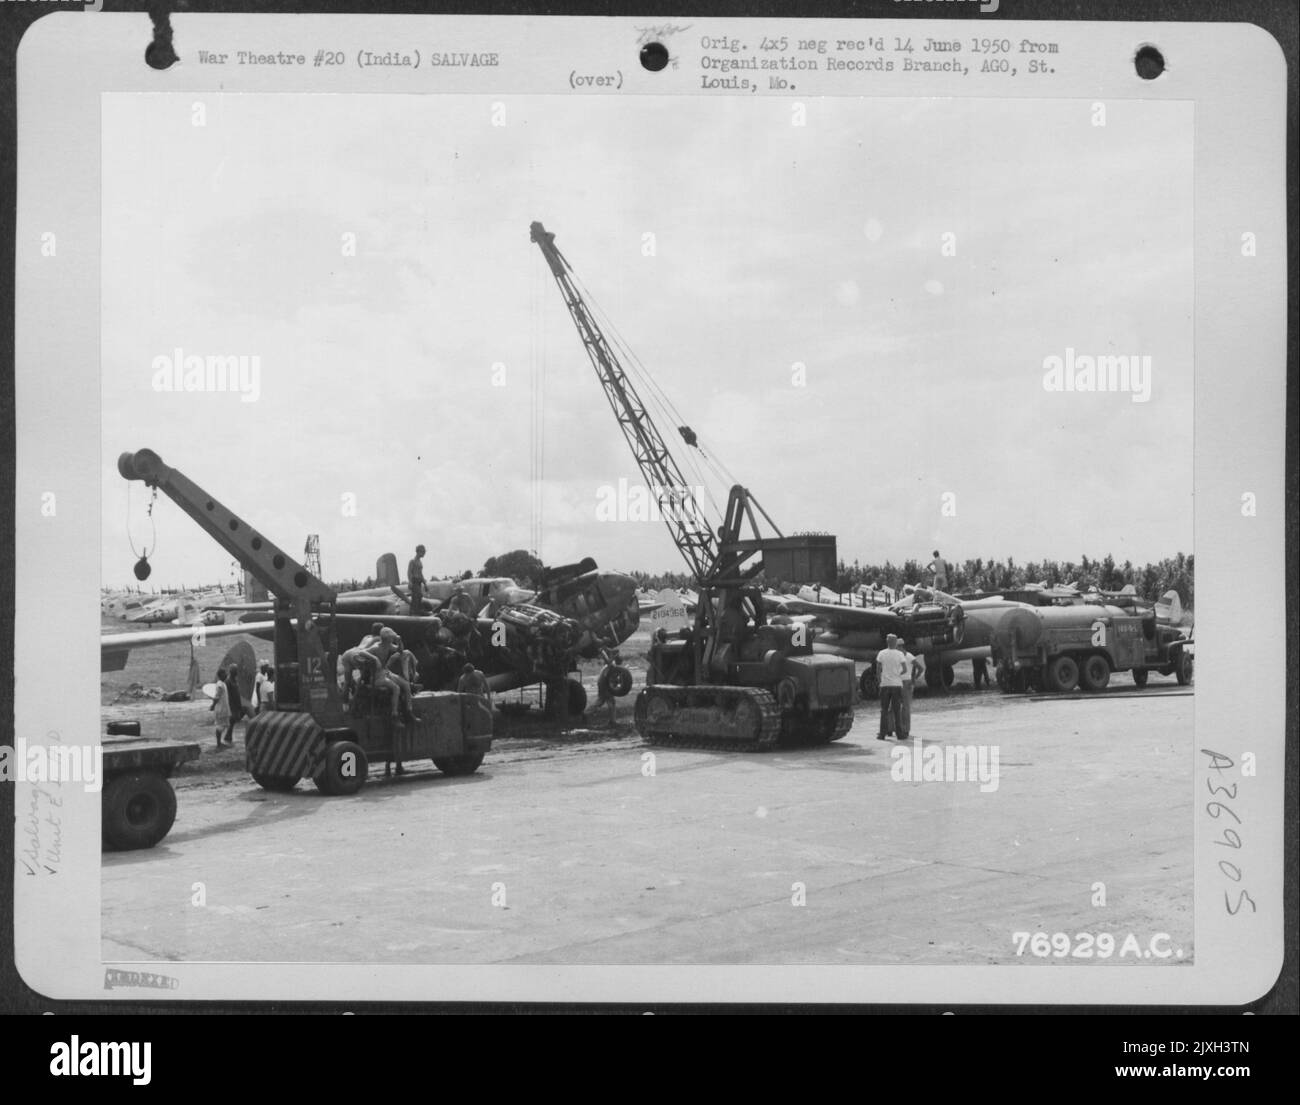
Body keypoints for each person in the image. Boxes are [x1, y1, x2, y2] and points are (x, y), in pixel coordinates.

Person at [876, 635, 906, 741]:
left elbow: (878, 669)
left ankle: (882, 734)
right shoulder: (900, 654)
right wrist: (897, 674)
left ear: (887, 642)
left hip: (885, 685)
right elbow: (905, 669)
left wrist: (880, 681)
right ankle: (900, 734)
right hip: (896, 684)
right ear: (896, 643)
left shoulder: (881, 653)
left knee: (884, 710)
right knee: (897, 710)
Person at [592, 643, 622, 727]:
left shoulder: (613, 665)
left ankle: (586, 714)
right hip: (604, 684)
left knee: (602, 701)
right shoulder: (612, 664)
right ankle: (612, 721)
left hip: (603, 683)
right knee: (607, 701)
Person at [898, 643, 922, 741]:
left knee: (906, 708)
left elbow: (920, 668)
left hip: (906, 683)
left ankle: (906, 730)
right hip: (897, 683)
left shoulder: (909, 656)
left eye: (897, 647)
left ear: (901, 646)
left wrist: (914, 679)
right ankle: (897, 729)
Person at [210, 667, 233, 747]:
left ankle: (220, 742)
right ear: (221, 675)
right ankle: (218, 743)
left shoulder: (223, 683)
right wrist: (213, 705)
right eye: (224, 673)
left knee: (224, 725)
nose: (226, 675)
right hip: (221, 709)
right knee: (220, 726)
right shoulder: (220, 684)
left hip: (224, 708)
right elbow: (217, 697)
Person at [224, 666, 245, 744]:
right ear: (232, 672)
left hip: (236, 703)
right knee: (232, 719)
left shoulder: (234, 680)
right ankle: (227, 736)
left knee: (233, 719)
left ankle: (229, 735)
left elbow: (237, 692)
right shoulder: (228, 681)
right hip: (231, 703)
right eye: (236, 671)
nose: (237, 672)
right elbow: (226, 693)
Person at [408, 544, 427, 617]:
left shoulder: (420, 562)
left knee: (419, 596)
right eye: (423, 552)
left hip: (419, 582)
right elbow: (409, 572)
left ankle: (418, 612)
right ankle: (413, 613)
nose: (424, 554)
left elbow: (421, 574)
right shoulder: (412, 561)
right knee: (415, 597)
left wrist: (425, 584)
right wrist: (410, 581)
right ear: (418, 552)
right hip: (414, 581)